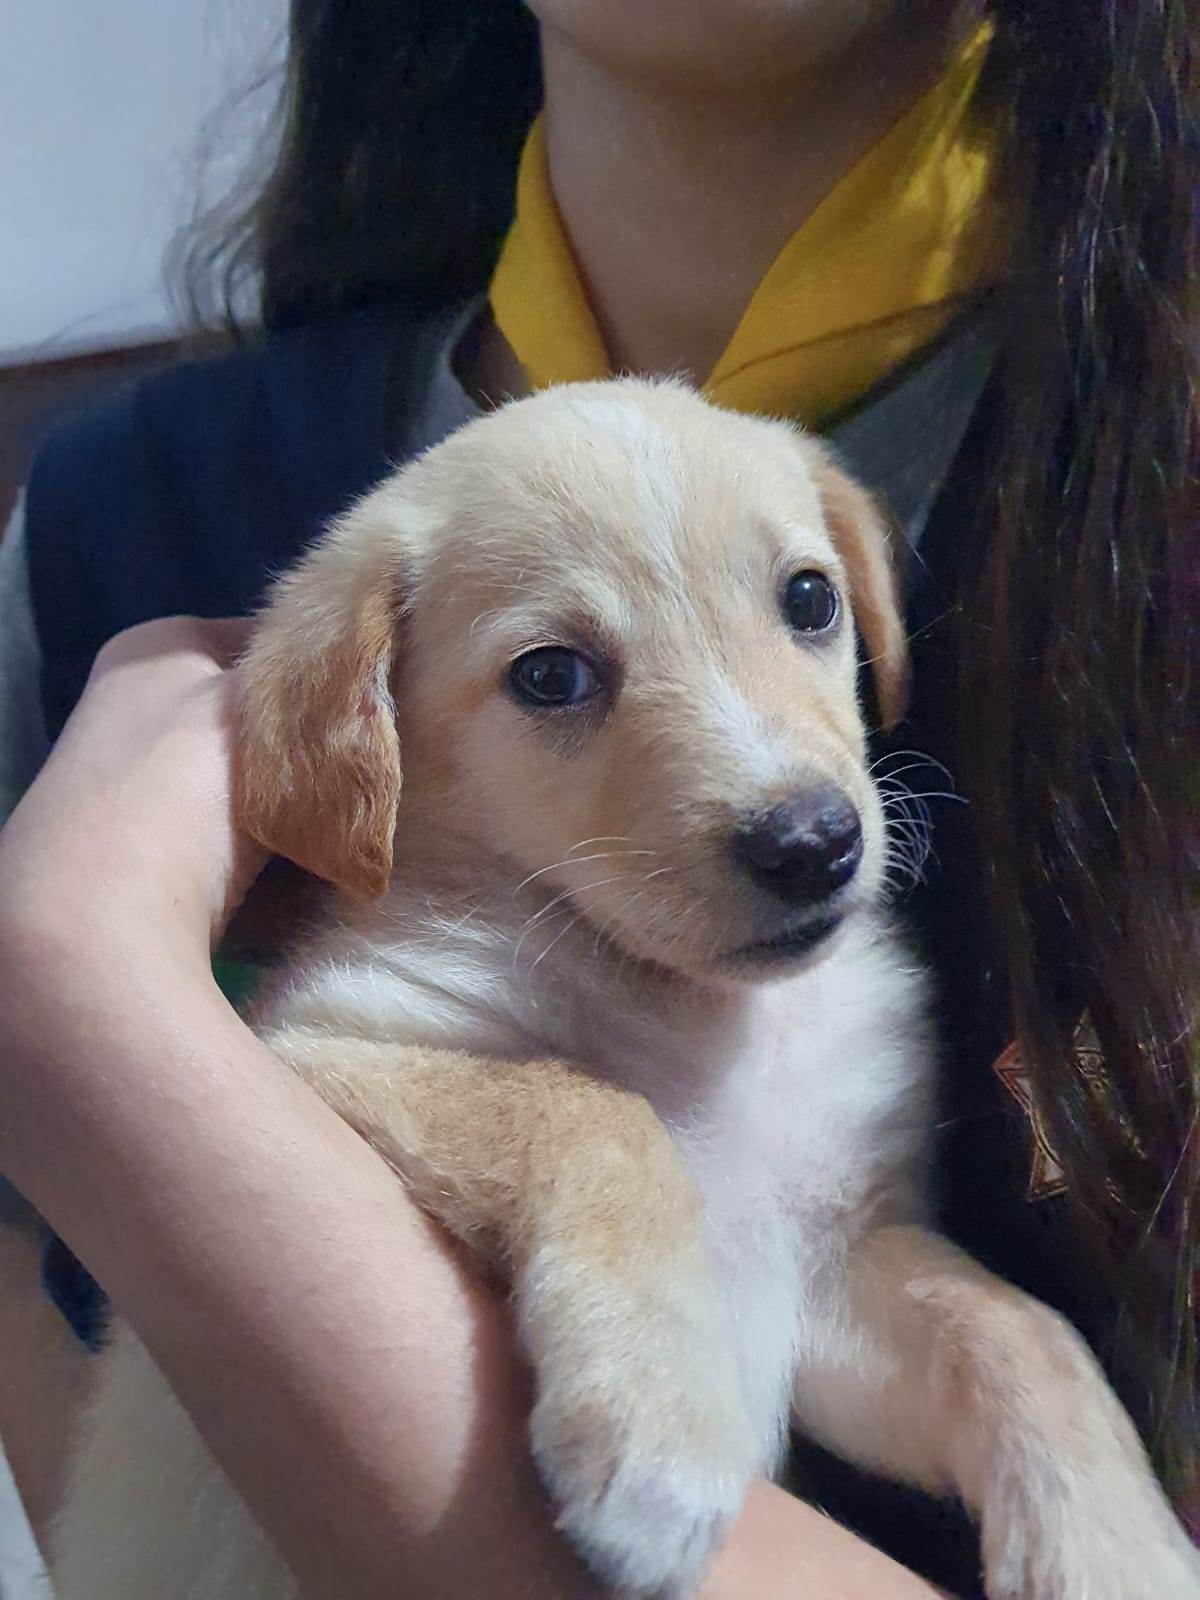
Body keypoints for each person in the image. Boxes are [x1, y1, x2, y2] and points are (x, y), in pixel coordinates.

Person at [0, 0, 1195, 1594]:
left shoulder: (1149, 441)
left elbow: (826, 1279)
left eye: (806, 605)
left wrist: (1024, 1387)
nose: (784, 787)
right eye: (558, 677)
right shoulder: (124, 530)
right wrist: (578, 1160)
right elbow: (306, 1098)